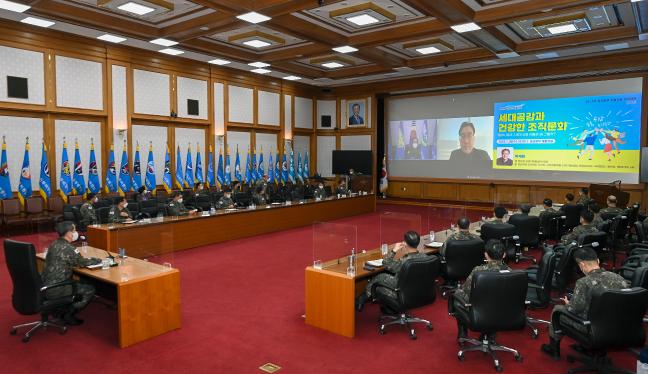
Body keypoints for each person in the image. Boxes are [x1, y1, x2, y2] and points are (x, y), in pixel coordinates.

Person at [540, 247, 629, 360]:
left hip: (591, 327)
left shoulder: (583, 282)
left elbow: (574, 309)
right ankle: (588, 348)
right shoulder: (620, 279)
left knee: (558, 309)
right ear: (598, 261)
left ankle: (553, 349)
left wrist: (568, 304)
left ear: (582, 265)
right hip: (618, 326)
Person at [41, 221, 101, 325]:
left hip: (45, 285)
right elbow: (82, 262)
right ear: (68, 233)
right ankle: (68, 314)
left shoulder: (54, 244)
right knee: (89, 289)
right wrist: (97, 260)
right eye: (74, 230)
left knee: (80, 280)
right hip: (57, 288)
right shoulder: (69, 248)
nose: (75, 233)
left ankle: (59, 310)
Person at [449, 239, 510, 337]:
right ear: (504, 255)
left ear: (486, 255)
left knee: (457, 294)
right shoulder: (513, 273)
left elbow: (466, 290)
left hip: (480, 311)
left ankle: (462, 332)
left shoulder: (478, 271)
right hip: (503, 312)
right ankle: (490, 334)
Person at [356, 231, 428, 311]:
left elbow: (386, 263)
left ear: (405, 243)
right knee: (384, 275)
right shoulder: (425, 257)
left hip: (401, 292)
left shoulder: (406, 261)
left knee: (380, 277)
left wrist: (394, 250)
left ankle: (362, 299)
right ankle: (363, 299)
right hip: (418, 291)